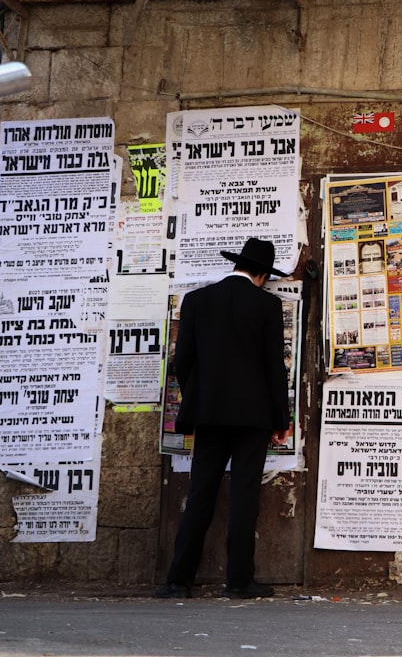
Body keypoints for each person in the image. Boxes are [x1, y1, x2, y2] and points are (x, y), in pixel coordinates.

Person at [156, 237, 293, 599]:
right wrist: (282, 417)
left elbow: (181, 361)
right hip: (253, 417)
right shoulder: (266, 305)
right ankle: (238, 581)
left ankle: (178, 581)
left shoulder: (197, 301)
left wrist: (199, 397)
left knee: (201, 491)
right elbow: (273, 367)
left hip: (210, 414)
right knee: (245, 494)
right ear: (262, 274)